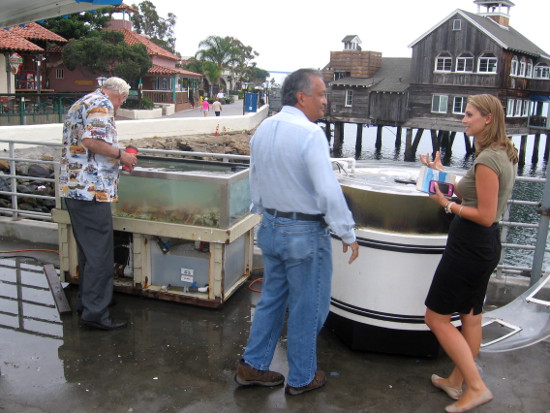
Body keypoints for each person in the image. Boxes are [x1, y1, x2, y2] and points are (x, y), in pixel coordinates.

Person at [234, 68, 359, 395]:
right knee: (310, 307)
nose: (325, 101)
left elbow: (255, 178)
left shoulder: (263, 128)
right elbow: (328, 190)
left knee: (273, 300)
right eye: (320, 94)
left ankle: (253, 365)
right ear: (301, 97)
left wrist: (261, 211)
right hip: (304, 234)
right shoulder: (310, 133)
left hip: (272, 228)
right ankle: (302, 377)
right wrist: (346, 231)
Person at [420, 94, 518, 412]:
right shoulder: (498, 153)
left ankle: (476, 387)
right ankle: (456, 382)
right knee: (471, 318)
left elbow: (485, 214)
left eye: (469, 114)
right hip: (483, 246)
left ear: (488, 118)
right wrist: (441, 173)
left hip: (471, 248)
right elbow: (474, 192)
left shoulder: (488, 159)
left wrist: (447, 205)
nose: (463, 120)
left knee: (436, 317)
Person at [59, 77, 138, 331]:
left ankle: (89, 302)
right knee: (100, 254)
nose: (120, 105)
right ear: (120, 96)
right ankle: (95, 314)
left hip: (74, 187)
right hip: (91, 190)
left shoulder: (82, 101)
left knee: (88, 252)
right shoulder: (103, 104)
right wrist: (121, 155)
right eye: (122, 101)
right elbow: (92, 141)